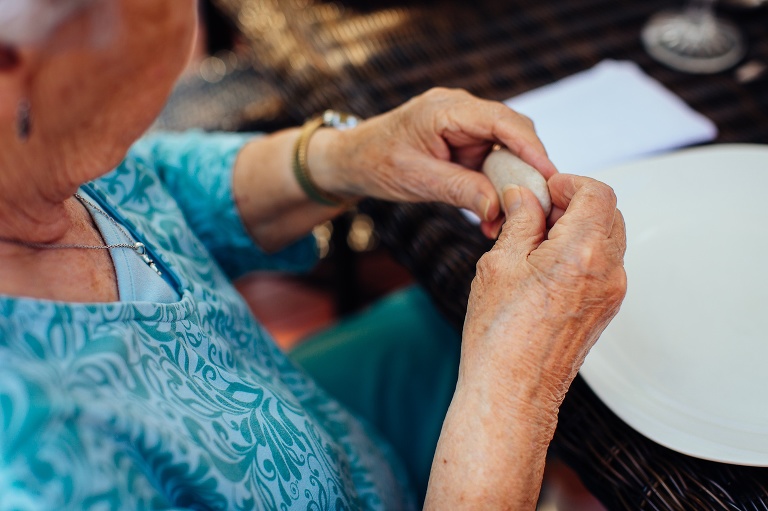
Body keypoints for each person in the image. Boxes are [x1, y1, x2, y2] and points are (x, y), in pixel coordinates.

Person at [0, 0, 626, 509]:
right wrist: (513, 393)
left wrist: (347, 156)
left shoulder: (39, 153)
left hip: (314, 424)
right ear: (10, 66)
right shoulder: (32, 466)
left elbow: (151, 179)